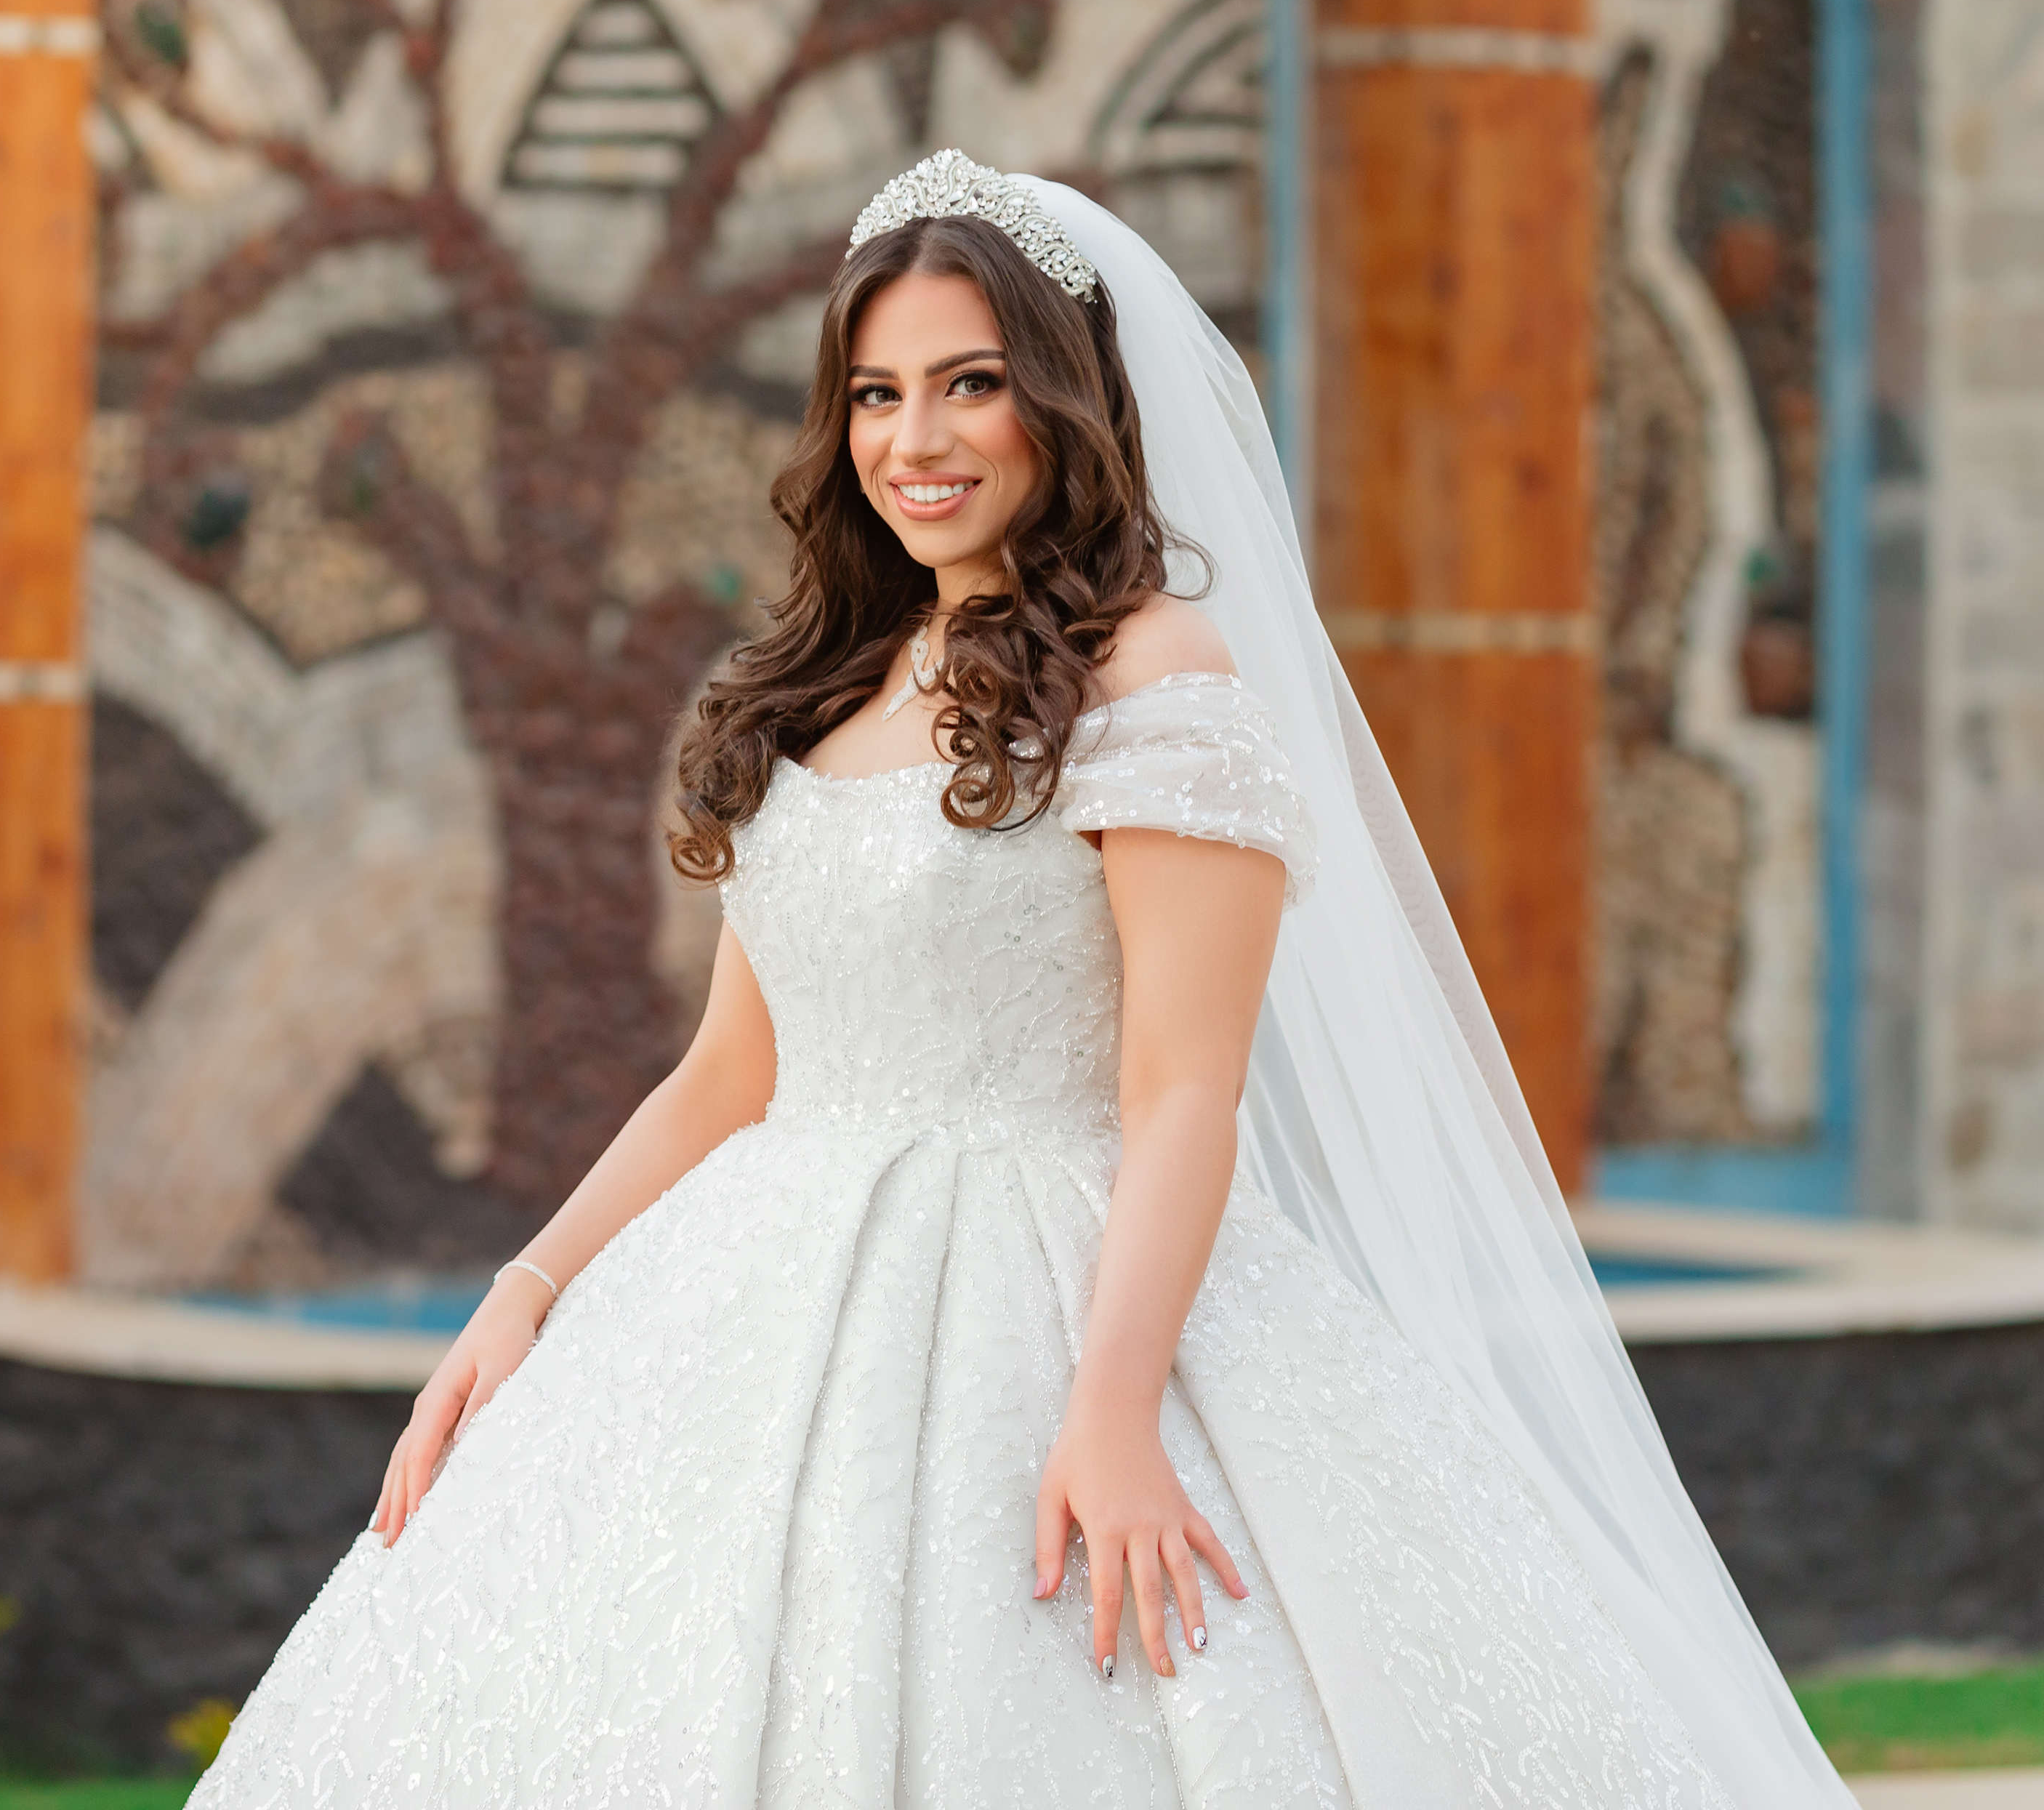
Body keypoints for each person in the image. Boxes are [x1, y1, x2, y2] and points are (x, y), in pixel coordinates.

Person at [191, 151, 1855, 1808]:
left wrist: (1115, 1406)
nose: (914, 441)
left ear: (1062, 404)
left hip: (1055, 1290)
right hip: (741, 1294)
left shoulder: (1158, 678)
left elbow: (1184, 1089)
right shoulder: (820, 685)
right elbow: (726, 1072)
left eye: (970, 385)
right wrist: (529, 1289)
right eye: (876, 393)